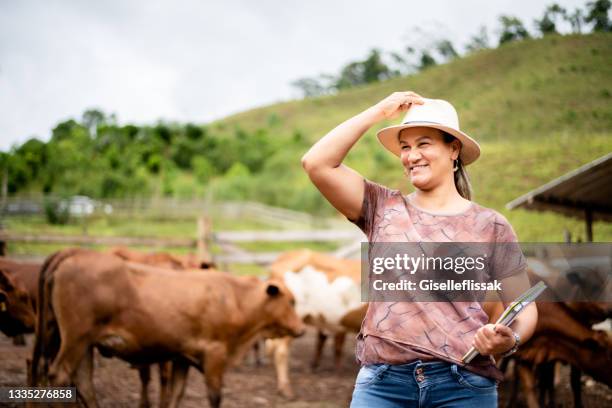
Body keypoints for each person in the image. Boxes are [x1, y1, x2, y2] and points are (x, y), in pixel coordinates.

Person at [301, 91, 538, 407]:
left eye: (423, 143)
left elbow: (524, 306)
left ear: (453, 149)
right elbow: (316, 162)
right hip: (383, 385)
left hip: (464, 384)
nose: (411, 156)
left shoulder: (491, 225)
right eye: (405, 147)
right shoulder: (381, 207)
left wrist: (511, 339)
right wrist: (378, 112)